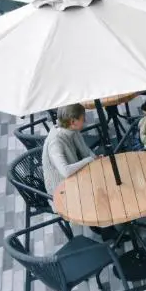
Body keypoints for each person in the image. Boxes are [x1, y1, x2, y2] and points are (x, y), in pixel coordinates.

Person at [41, 103, 103, 240]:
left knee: (102, 182)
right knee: (98, 190)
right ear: (73, 121)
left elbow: (85, 150)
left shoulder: (71, 130)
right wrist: (89, 160)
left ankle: (102, 225)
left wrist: (94, 158)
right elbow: (65, 171)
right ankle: (85, 235)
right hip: (61, 190)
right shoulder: (55, 143)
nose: (85, 120)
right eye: (83, 118)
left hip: (75, 179)